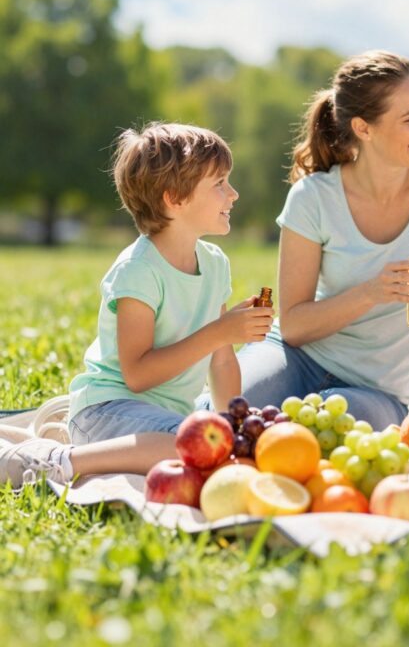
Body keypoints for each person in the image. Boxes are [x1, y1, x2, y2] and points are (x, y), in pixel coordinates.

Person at [1, 124, 273, 487]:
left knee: (223, 447)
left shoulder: (214, 264)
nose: (233, 194)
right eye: (219, 184)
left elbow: (222, 362)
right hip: (106, 413)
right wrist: (218, 333)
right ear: (174, 198)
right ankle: (58, 461)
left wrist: (234, 426)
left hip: (164, 418)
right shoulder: (138, 270)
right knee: (191, 449)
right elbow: (138, 375)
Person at [239, 51, 409, 428]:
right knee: (229, 413)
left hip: (377, 389)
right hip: (295, 357)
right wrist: (372, 292)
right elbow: (293, 326)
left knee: (325, 425)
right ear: (363, 128)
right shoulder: (313, 197)